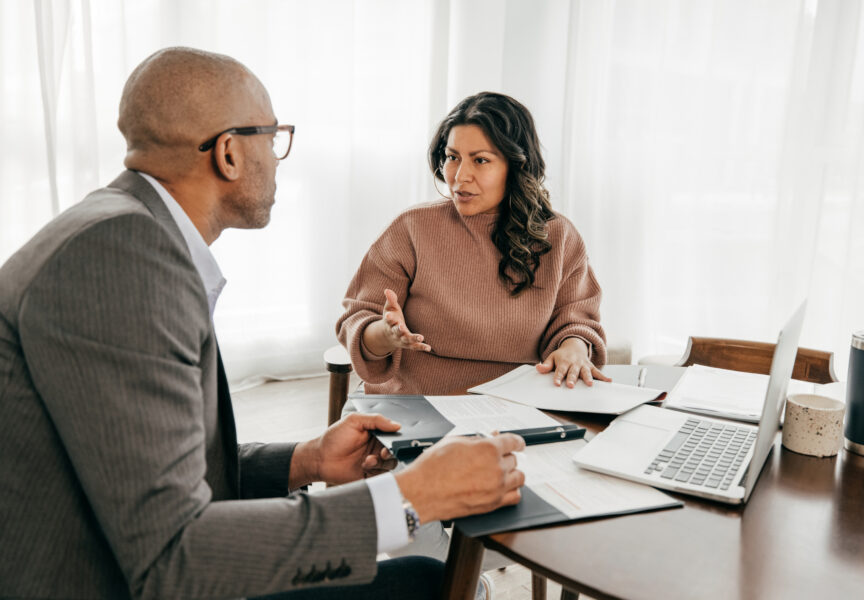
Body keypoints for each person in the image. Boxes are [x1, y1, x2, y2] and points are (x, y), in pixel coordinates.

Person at [0, 48, 524, 600]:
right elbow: (174, 559)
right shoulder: (122, 257)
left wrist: (306, 460)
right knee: (433, 586)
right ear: (228, 153)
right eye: (273, 140)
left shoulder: (122, 230)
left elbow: (148, 472)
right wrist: (412, 497)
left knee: (430, 581)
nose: (278, 159)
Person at [337, 92, 608, 396]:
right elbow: (358, 319)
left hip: (519, 406)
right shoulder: (411, 228)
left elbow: (576, 320)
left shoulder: (559, 237)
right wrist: (386, 336)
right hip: (415, 402)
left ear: (516, 166)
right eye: (453, 157)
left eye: (480, 160)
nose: (460, 176)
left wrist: (573, 347)